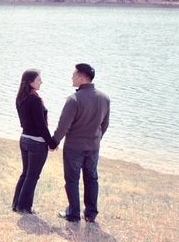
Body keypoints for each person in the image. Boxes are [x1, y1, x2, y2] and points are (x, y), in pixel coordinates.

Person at [52, 63, 110, 223]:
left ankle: (74, 213)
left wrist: (54, 141)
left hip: (74, 147)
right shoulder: (104, 98)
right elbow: (104, 125)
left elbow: (63, 125)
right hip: (93, 147)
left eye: (74, 75)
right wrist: (96, 138)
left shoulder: (73, 99)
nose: (72, 77)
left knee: (72, 180)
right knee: (91, 179)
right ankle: (90, 214)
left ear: (82, 78)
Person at [12, 69, 58, 215]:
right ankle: (23, 207)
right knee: (32, 176)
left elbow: (24, 122)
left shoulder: (20, 98)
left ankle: (16, 204)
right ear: (30, 82)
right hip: (36, 143)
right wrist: (52, 142)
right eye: (39, 79)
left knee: (25, 173)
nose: (41, 82)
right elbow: (41, 126)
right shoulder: (35, 100)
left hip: (24, 139)